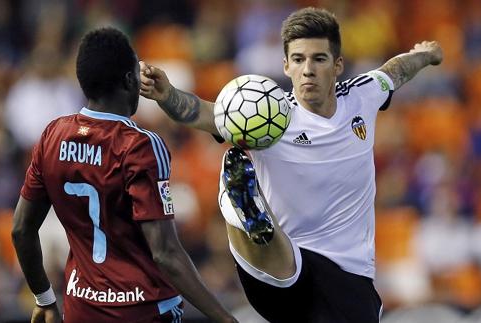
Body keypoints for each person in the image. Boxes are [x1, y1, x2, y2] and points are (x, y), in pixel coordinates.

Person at [139, 7, 443, 323]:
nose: (307, 69)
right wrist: (167, 94)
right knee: (277, 253)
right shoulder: (265, 117)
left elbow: (395, 71)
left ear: (338, 64)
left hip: (348, 273)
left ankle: (248, 211)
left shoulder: (361, 95)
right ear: (285, 65)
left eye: (319, 59)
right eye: (298, 59)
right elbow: (201, 113)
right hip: (277, 271)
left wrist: (424, 54)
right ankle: (242, 207)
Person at [11, 27, 237, 323]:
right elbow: (165, 253)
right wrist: (225, 318)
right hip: (144, 310)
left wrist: (44, 298)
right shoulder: (140, 145)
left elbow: (21, 229)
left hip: (81, 310)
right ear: (130, 80)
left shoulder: (53, 135)